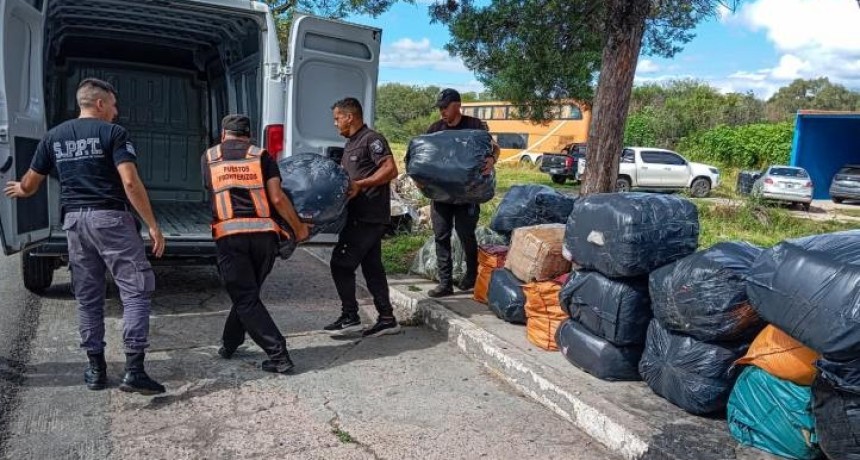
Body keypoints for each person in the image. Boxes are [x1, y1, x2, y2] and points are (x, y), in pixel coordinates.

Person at [4, 78, 166, 394]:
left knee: (88, 295)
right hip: (111, 219)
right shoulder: (114, 134)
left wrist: (20, 189)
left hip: (74, 223)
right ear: (101, 103)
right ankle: (134, 370)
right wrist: (152, 225)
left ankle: (95, 370)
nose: (116, 113)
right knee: (135, 289)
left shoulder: (54, 136)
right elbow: (130, 183)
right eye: (114, 105)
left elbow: (32, 181)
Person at [202, 114, 310, 374]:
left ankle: (279, 354)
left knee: (246, 297)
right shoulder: (261, 156)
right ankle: (230, 342)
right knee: (248, 295)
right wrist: (298, 227)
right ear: (248, 136)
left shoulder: (210, 156)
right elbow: (277, 197)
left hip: (230, 236)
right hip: (263, 237)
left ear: (223, 134)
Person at [323, 97, 401, 337]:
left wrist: (361, 184)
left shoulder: (372, 139)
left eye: (337, 118)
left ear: (350, 116)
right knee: (372, 268)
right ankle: (387, 318)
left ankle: (350, 316)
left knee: (341, 263)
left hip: (369, 216)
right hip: (358, 215)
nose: (335, 124)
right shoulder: (351, 143)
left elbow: (390, 169)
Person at [425, 88, 499, 298]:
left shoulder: (475, 126)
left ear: (457, 106)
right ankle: (445, 283)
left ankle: (472, 276)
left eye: (444, 108)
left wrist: (492, 159)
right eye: (440, 108)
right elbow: (425, 155)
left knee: (466, 234)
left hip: (468, 193)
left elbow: (494, 147)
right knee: (441, 236)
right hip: (441, 193)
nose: (441, 112)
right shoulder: (435, 129)